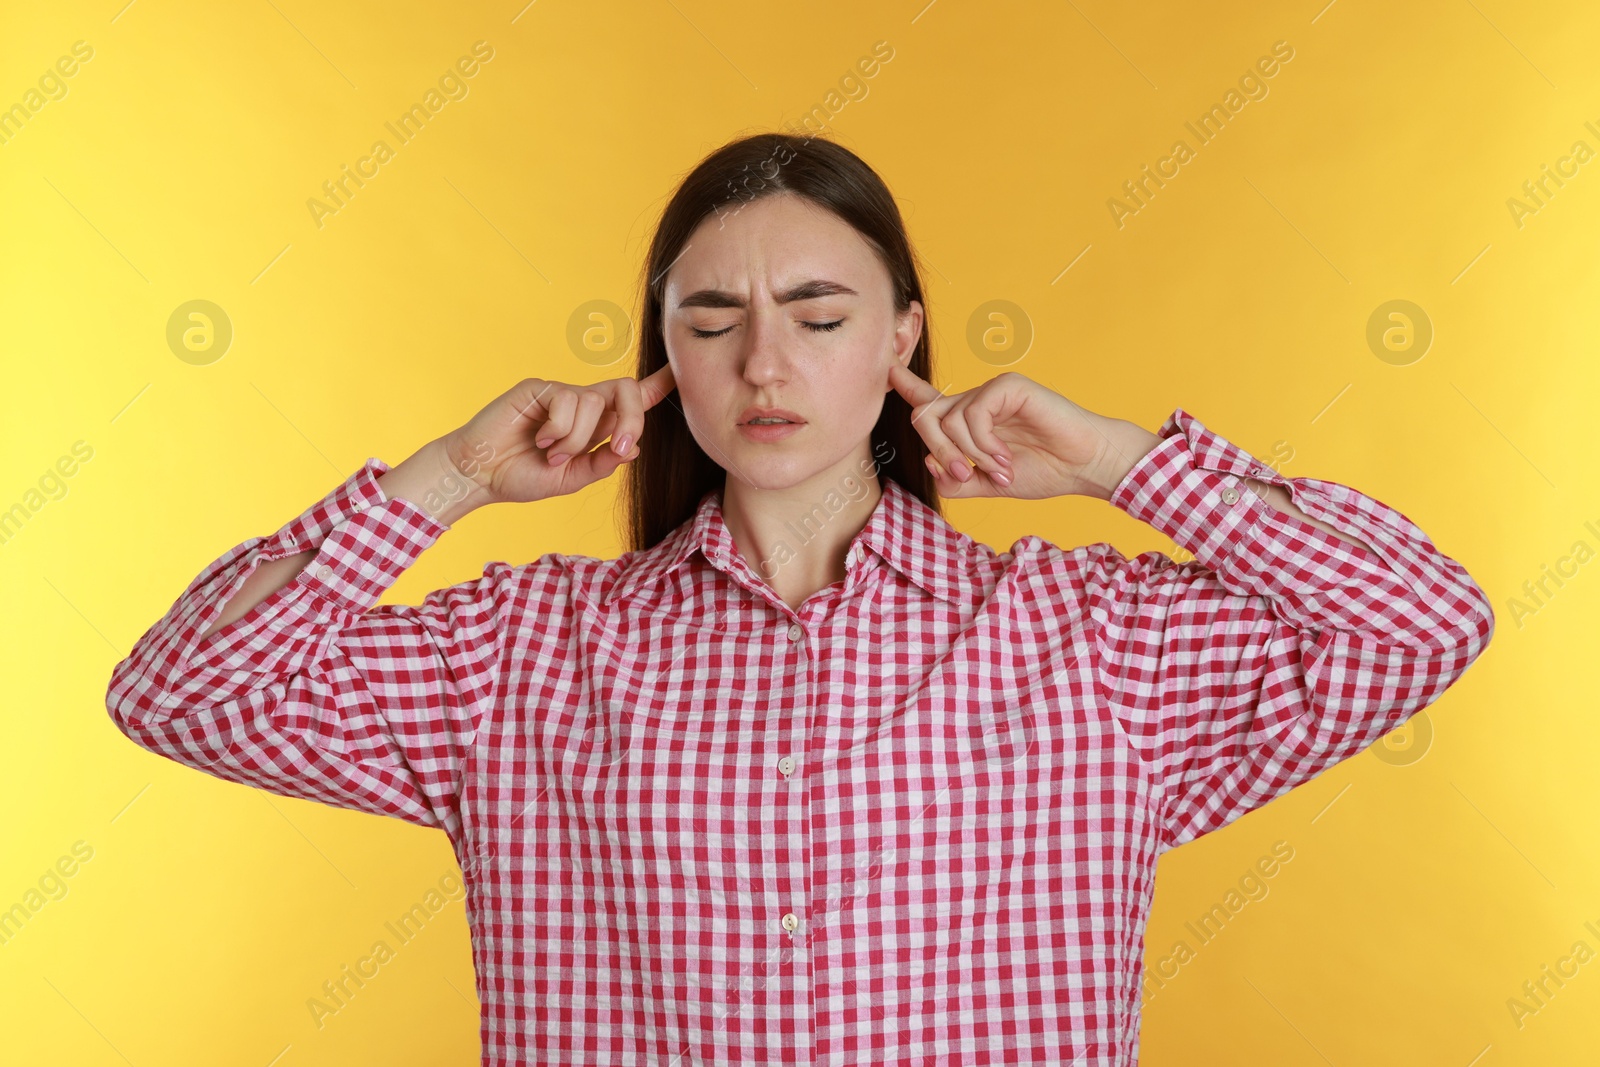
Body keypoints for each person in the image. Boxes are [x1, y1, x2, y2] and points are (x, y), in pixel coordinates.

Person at [105, 132, 1495, 1066]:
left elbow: (1421, 616)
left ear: (902, 336)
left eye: (820, 317)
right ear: (664, 357)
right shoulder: (521, 652)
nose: (764, 361)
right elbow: (175, 694)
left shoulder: (1094, 644)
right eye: (711, 321)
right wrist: (453, 476)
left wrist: (1119, 463)